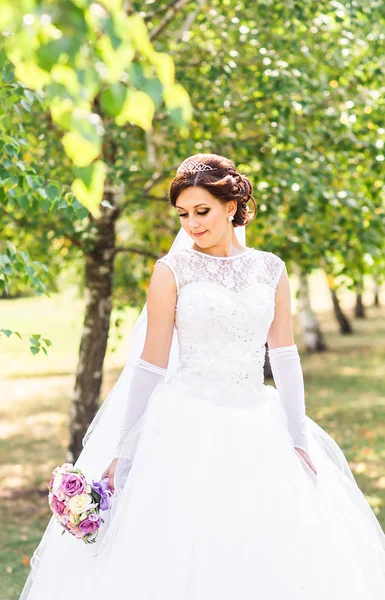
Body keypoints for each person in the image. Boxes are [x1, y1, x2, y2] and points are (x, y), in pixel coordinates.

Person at [20, 153, 385, 600]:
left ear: (231, 207)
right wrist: (124, 447)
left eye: (202, 211)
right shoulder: (171, 271)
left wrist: (297, 438)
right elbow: (150, 365)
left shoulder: (271, 269)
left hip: (257, 423)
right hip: (184, 427)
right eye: (183, 214)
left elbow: (285, 354)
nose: (191, 225)